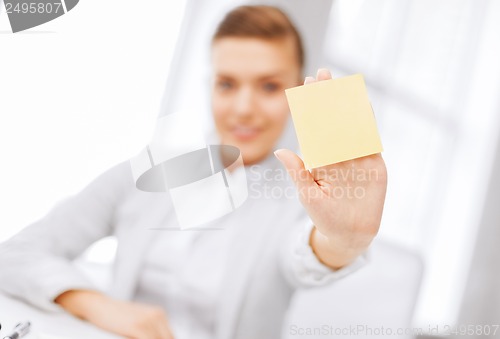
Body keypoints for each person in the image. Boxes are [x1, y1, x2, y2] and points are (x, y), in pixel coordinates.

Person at [0, 5, 387, 339]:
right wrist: (93, 302)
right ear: (210, 87)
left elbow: (306, 255)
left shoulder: (306, 194)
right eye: (227, 84)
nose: (243, 108)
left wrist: (343, 240)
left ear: (294, 94)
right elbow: (16, 254)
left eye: (269, 86)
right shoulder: (152, 169)